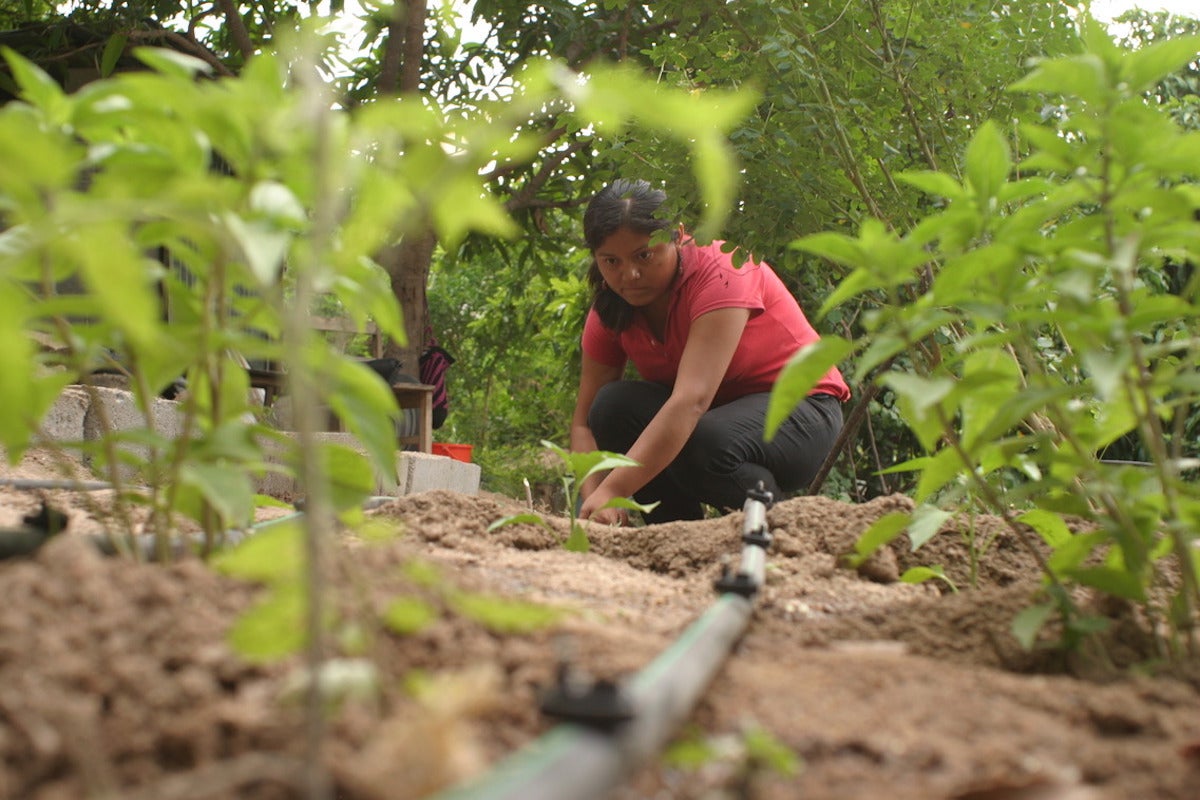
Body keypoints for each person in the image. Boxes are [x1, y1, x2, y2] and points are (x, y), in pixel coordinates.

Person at [570, 179, 850, 525]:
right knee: (613, 407)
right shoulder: (610, 310)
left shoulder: (723, 270)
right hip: (715, 419)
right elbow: (584, 424)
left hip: (803, 411)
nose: (630, 274)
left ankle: (777, 531)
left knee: (707, 440)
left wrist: (613, 492)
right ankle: (672, 535)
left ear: (678, 234)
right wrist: (593, 502)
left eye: (644, 255)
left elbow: (691, 401)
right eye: (610, 261)